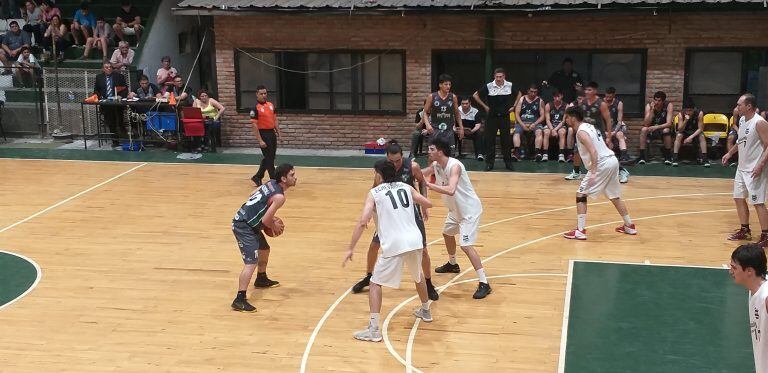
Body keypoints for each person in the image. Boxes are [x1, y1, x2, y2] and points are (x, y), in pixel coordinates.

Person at [343, 160, 434, 342]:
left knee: (375, 284)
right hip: (415, 240)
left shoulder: (374, 193)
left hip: (394, 243)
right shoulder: (406, 187)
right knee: (418, 276)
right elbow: (428, 203)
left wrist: (351, 248)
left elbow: (363, 222)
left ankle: (374, 329)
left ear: (379, 174)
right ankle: (425, 311)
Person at [350, 141, 439, 301]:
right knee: (374, 245)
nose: (395, 164)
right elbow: (374, 190)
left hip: (410, 213)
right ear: (387, 158)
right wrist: (371, 213)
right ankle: (369, 277)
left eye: (398, 160)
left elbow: (422, 182)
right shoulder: (381, 171)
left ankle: (429, 282)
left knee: (423, 249)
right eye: (392, 161)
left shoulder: (413, 166)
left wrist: (424, 203)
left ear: (402, 157)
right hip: (389, 216)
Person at [421, 137, 491, 299]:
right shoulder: (436, 165)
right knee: (447, 234)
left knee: (466, 246)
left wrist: (429, 186)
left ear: (440, 151)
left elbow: (451, 189)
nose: (428, 152)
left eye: (431, 149)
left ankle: (484, 283)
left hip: (469, 211)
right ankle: (453, 264)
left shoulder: (455, 166)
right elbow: (422, 173)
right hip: (455, 210)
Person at [562, 106, 636, 240]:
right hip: (612, 160)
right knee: (614, 196)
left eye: (566, 117)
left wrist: (594, 172)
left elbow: (593, 151)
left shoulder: (581, 132)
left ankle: (580, 230)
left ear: (573, 118)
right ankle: (629, 225)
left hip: (602, 164)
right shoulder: (589, 126)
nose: (565, 120)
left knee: (581, 195)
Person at [231, 164, 297, 312]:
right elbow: (266, 221)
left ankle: (261, 278)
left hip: (249, 222)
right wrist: (275, 226)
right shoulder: (279, 197)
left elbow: (252, 194)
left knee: (264, 249)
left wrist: (262, 213)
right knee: (250, 263)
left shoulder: (270, 183)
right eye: (292, 175)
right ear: (283, 178)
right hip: (244, 226)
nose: (295, 177)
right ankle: (239, 299)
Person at [722, 94, 768, 248]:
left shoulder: (759, 123)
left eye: (739, 104)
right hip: (742, 168)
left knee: (758, 202)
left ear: (749, 106)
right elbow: (742, 140)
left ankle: (766, 235)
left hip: (755, 169)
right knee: (738, 197)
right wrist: (730, 153)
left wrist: (760, 165)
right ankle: (745, 230)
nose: (737, 107)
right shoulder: (742, 120)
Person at [728, 243, 768, 373]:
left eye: (734, 268)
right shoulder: (753, 290)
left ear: (749, 271)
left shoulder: (766, 297)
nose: (730, 271)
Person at [473, 68, 520, 171]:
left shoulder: (510, 85)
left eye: (500, 77)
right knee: (490, 141)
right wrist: (485, 106)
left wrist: (514, 106)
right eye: (497, 77)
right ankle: (489, 164)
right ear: (494, 76)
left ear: (504, 76)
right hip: (492, 117)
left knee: (506, 141)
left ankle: (508, 164)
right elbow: (475, 95)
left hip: (504, 117)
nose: (498, 79)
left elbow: (519, 94)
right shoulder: (489, 86)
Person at [566, 82, 613, 181]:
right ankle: (576, 172)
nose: (587, 92)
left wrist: (609, 136)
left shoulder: (601, 104)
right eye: (586, 90)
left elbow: (608, 120)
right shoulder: (583, 102)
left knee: (602, 154)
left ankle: (621, 171)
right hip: (585, 131)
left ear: (595, 91)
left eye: (589, 90)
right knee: (577, 151)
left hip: (597, 133)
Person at [422, 74, 463, 157]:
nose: (448, 86)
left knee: (450, 156)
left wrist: (461, 128)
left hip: (449, 130)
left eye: (449, 84)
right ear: (440, 85)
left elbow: (457, 113)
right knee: (432, 155)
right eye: (446, 84)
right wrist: (427, 125)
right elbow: (425, 112)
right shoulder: (432, 96)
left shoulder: (453, 97)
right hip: (435, 129)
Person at [250, 85, 281, 186]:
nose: (264, 95)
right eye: (261, 94)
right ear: (257, 94)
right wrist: (260, 140)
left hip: (271, 133)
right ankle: (274, 180)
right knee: (269, 158)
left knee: (270, 157)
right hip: (263, 134)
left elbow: (275, 119)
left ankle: (257, 177)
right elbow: (254, 125)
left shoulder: (271, 105)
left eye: (265, 93)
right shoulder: (255, 108)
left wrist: (279, 133)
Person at [93, 62, 128, 147]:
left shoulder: (119, 77)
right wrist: (100, 96)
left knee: (120, 120)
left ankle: (125, 139)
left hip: (117, 103)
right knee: (111, 120)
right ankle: (115, 141)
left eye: (110, 67)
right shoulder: (99, 77)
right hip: (106, 104)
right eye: (106, 67)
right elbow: (96, 90)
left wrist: (120, 96)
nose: (109, 69)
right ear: (103, 69)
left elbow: (125, 89)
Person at [636, 91, 674, 165]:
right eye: (655, 100)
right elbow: (646, 123)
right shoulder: (649, 106)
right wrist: (652, 111)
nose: (656, 102)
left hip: (662, 128)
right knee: (643, 129)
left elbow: (669, 123)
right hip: (651, 129)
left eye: (659, 101)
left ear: (663, 101)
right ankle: (642, 156)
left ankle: (668, 156)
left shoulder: (668, 105)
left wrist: (656, 127)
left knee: (666, 130)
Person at [671, 98, 710, 168]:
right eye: (686, 110)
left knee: (702, 136)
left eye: (690, 110)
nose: (688, 112)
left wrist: (690, 137)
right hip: (684, 131)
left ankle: (705, 159)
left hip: (695, 132)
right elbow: (680, 129)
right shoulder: (681, 114)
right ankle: (675, 158)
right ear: (684, 110)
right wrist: (685, 121)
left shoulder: (699, 113)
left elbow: (700, 129)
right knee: (679, 135)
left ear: (694, 109)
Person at [603, 87, 630, 184]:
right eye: (606, 96)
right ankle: (619, 170)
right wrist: (605, 132)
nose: (608, 98)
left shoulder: (619, 103)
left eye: (610, 96)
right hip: (605, 128)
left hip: (616, 127)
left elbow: (619, 121)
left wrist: (613, 132)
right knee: (606, 150)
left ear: (614, 95)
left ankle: (624, 156)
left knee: (619, 134)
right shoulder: (601, 104)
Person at [514, 83, 546, 161]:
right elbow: (517, 113)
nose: (533, 93)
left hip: (535, 123)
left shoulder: (540, 101)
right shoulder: (522, 99)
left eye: (535, 92)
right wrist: (522, 124)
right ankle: (516, 153)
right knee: (517, 132)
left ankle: (537, 153)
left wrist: (534, 124)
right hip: (522, 122)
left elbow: (543, 116)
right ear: (528, 91)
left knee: (539, 132)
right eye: (531, 91)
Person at [457, 97, 485, 161]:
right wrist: (455, 130)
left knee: (479, 133)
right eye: (462, 103)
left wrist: (471, 131)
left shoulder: (475, 111)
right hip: (459, 131)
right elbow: (453, 123)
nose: (464, 105)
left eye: (466, 103)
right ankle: (452, 154)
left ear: (470, 103)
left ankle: (479, 154)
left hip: (472, 131)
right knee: (451, 133)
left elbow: (478, 125)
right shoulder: (457, 110)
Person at [546, 89, 569, 163]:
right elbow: (547, 120)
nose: (556, 98)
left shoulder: (566, 106)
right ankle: (545, 154)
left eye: (558, 96)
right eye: (555, 96)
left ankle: (561, 155)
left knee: (562, 132)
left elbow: (563, 121)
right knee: (546, 132)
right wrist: (552, 129)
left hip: (560, 125)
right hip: (551, 125)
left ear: (562, 96)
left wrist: (555, 130)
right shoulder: (548, 105)